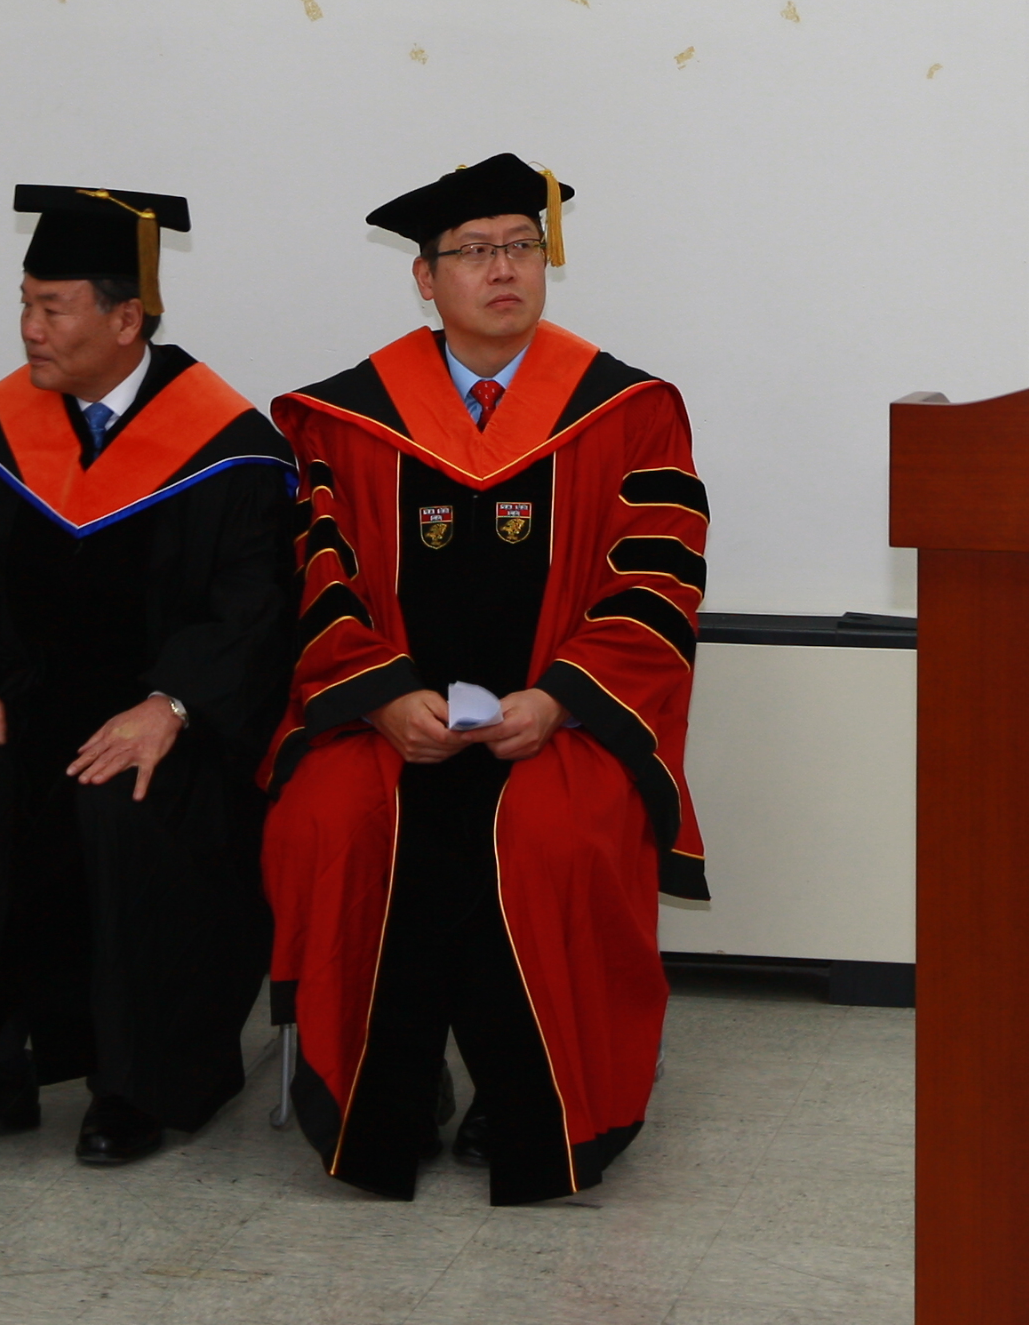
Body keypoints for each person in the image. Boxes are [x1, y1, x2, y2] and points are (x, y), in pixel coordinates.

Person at [263, 154, 710, 1205]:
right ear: (425, 279)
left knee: (554, 834)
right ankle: (391, 1095)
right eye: (473, 252)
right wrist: (380, 695)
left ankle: (528, 1102)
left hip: (560, 721)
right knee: (335, 817)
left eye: (521, 246)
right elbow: (318, 575)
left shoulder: (628, 411)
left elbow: (655, 582)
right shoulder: (344, 418)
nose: (503, 269)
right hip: (388, 720)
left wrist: (558, 700)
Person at [0, 187, 297, 1165]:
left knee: (128, 802)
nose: (30, 328)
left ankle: (138, 1084)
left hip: (165, 728)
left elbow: (253, 610)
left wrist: (172, 704)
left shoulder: (229, 450)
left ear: (126, 318)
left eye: (52, 308)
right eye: (25, 303)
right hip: (16, 715)